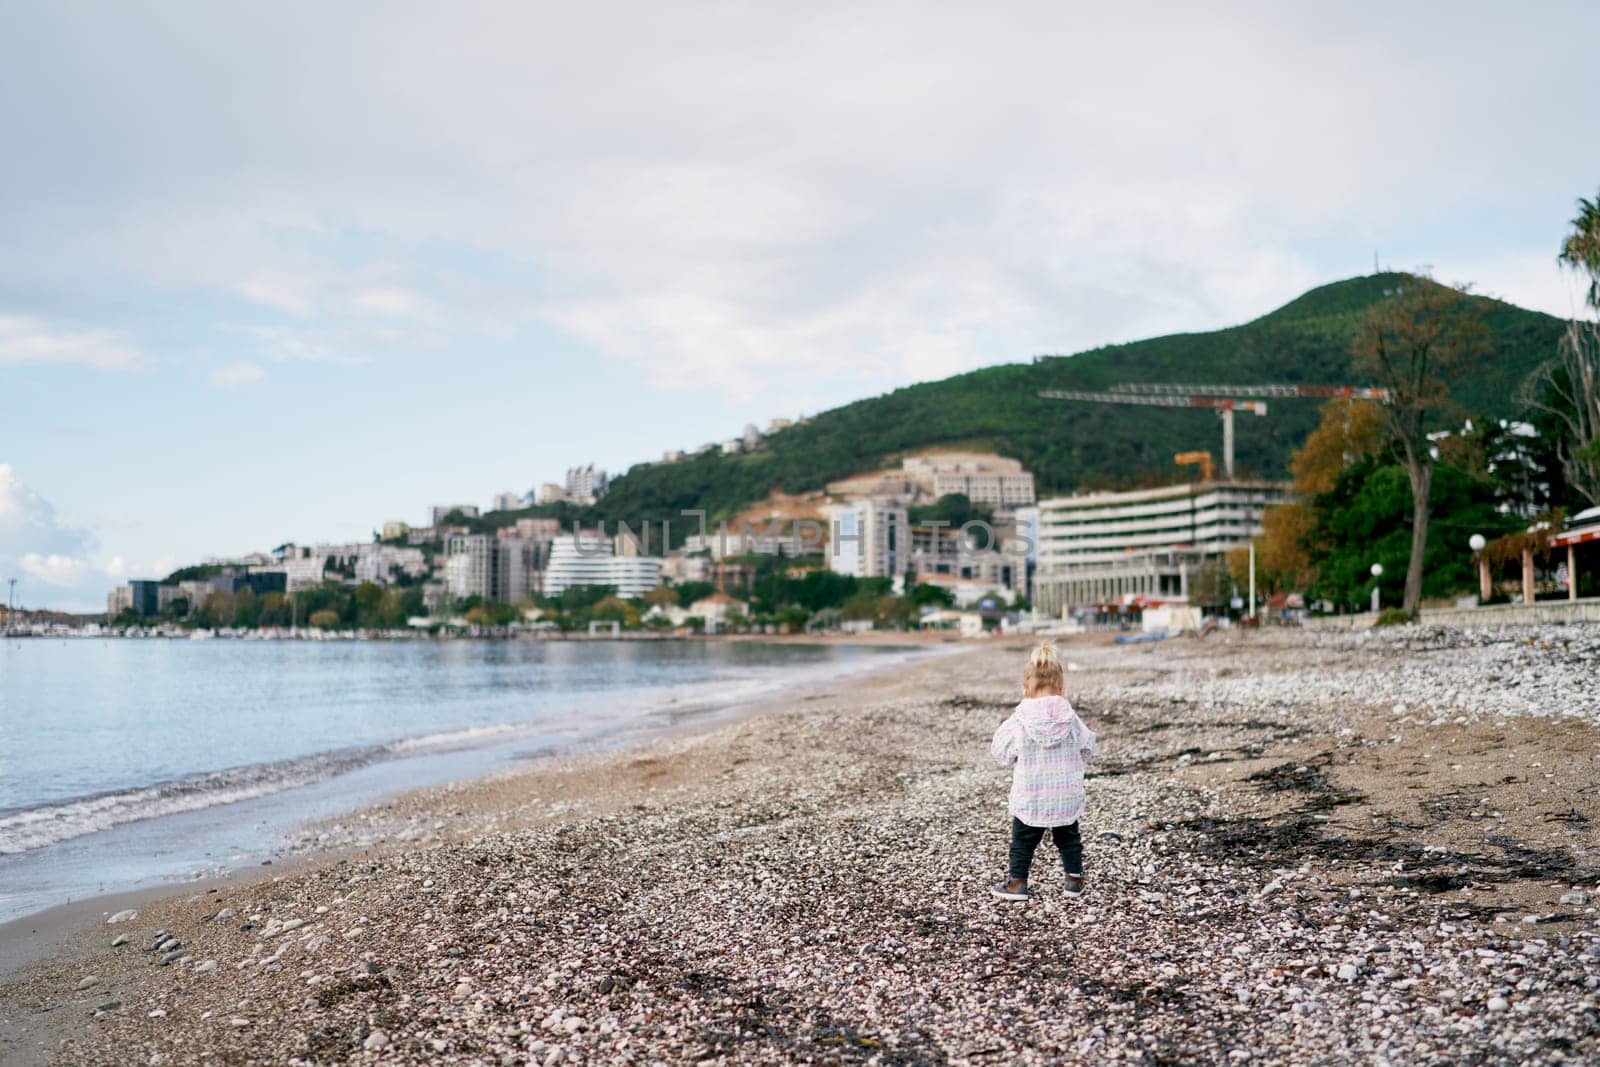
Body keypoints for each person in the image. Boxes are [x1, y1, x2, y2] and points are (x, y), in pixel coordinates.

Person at [989, 640, 1096, 901]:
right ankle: (1073, 881)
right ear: (1060, 687)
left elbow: (1001, 750)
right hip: (1064, 793)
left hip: (1032, 793)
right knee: (1069, 839)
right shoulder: (1070, 718)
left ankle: (1017, 884)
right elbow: (1087, 746)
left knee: (1023, 841)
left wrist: (1016, 756)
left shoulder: (1020, 719)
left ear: (1025, 687)